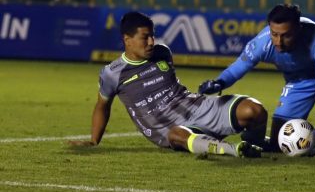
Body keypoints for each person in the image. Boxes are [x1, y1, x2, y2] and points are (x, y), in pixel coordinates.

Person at [70, 12, 267, 158]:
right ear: (127, 40)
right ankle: (233, 150)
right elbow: (102, 106)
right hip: (170, 129)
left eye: (152, 36)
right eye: (144, 37)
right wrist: (94, 141)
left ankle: (255, 144)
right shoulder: (112, 73)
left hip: (198, 107)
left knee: (255, 109)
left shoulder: (162, 52)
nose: (151, 41)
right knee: (178, 134)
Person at [199, 4, 315, 158]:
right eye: (274, 34)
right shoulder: (262, 43)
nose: (279, 42)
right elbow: (237, 68)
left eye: (285, 35)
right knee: (279, 145)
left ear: (298, 29)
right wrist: (219, 83)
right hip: (300, 82)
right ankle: (260, 140)